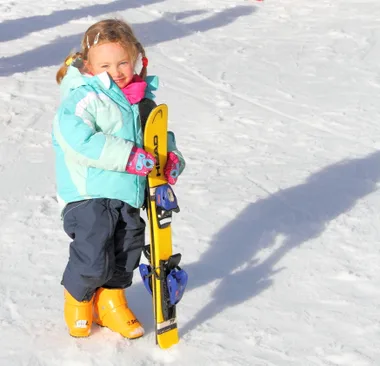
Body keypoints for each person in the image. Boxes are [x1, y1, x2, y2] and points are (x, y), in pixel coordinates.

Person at [52, 19, 185, 339]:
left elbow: (159, 138)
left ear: (137, 58)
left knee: (128, 249)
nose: (117, 71)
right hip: (88, 195)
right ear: (89, 65)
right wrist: (127, 156)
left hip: (128, 193)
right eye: (106, 64)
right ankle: (79, 300)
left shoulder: (142, 101)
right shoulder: (83, 97)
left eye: (123, 62)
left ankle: (111, 301)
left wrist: (171, 161)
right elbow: (78, 141)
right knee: (93, 254)